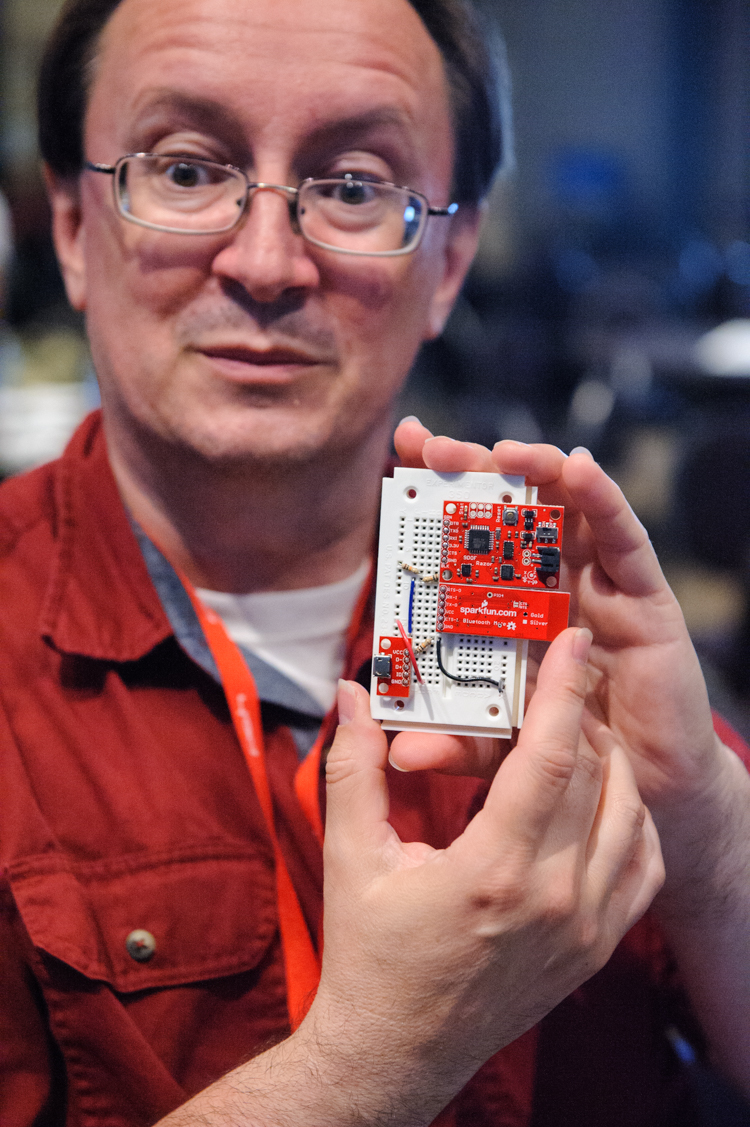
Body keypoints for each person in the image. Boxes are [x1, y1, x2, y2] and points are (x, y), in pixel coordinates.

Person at [0, 0, 749, 1123]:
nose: (263, 263)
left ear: (449, 256)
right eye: (189, 168)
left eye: (353, 186)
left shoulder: (550, 604)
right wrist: (378, 1052)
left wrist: (705, 816)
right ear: (69, 226)